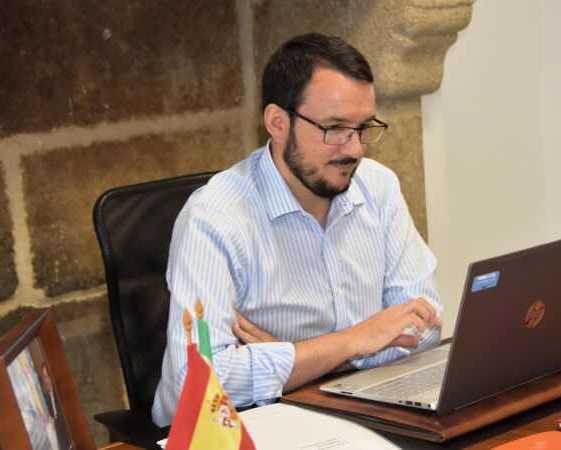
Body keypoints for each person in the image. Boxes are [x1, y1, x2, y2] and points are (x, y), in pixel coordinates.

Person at [152, 33, 443, 427]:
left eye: (363, 127)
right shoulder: (214, 218)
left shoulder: (379, 187)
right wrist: (352, 341)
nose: (355, 149)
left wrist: (298, 361)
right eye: (334, 128)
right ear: (278, 122)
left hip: (346, 412)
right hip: (234, 429)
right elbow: (199, 381)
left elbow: (426, 323)